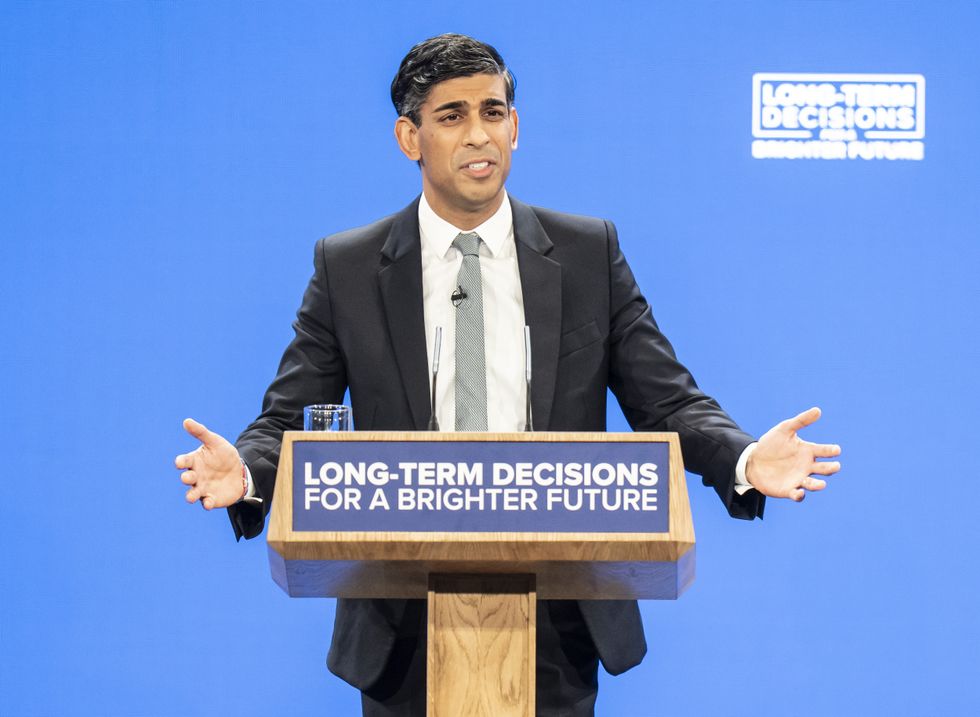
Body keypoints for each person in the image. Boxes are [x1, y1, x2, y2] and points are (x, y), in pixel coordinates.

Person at [175, 34, 842, 717]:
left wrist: (744, 456)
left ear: (515, 127)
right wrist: (247, 471)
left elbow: (667, 401)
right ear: (409, 137)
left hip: (558, 613)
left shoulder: (587, 254)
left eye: (493, 112)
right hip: (401, 624)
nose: (479, 135)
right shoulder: (348, 268)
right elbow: (290, 417)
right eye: (452, 115)